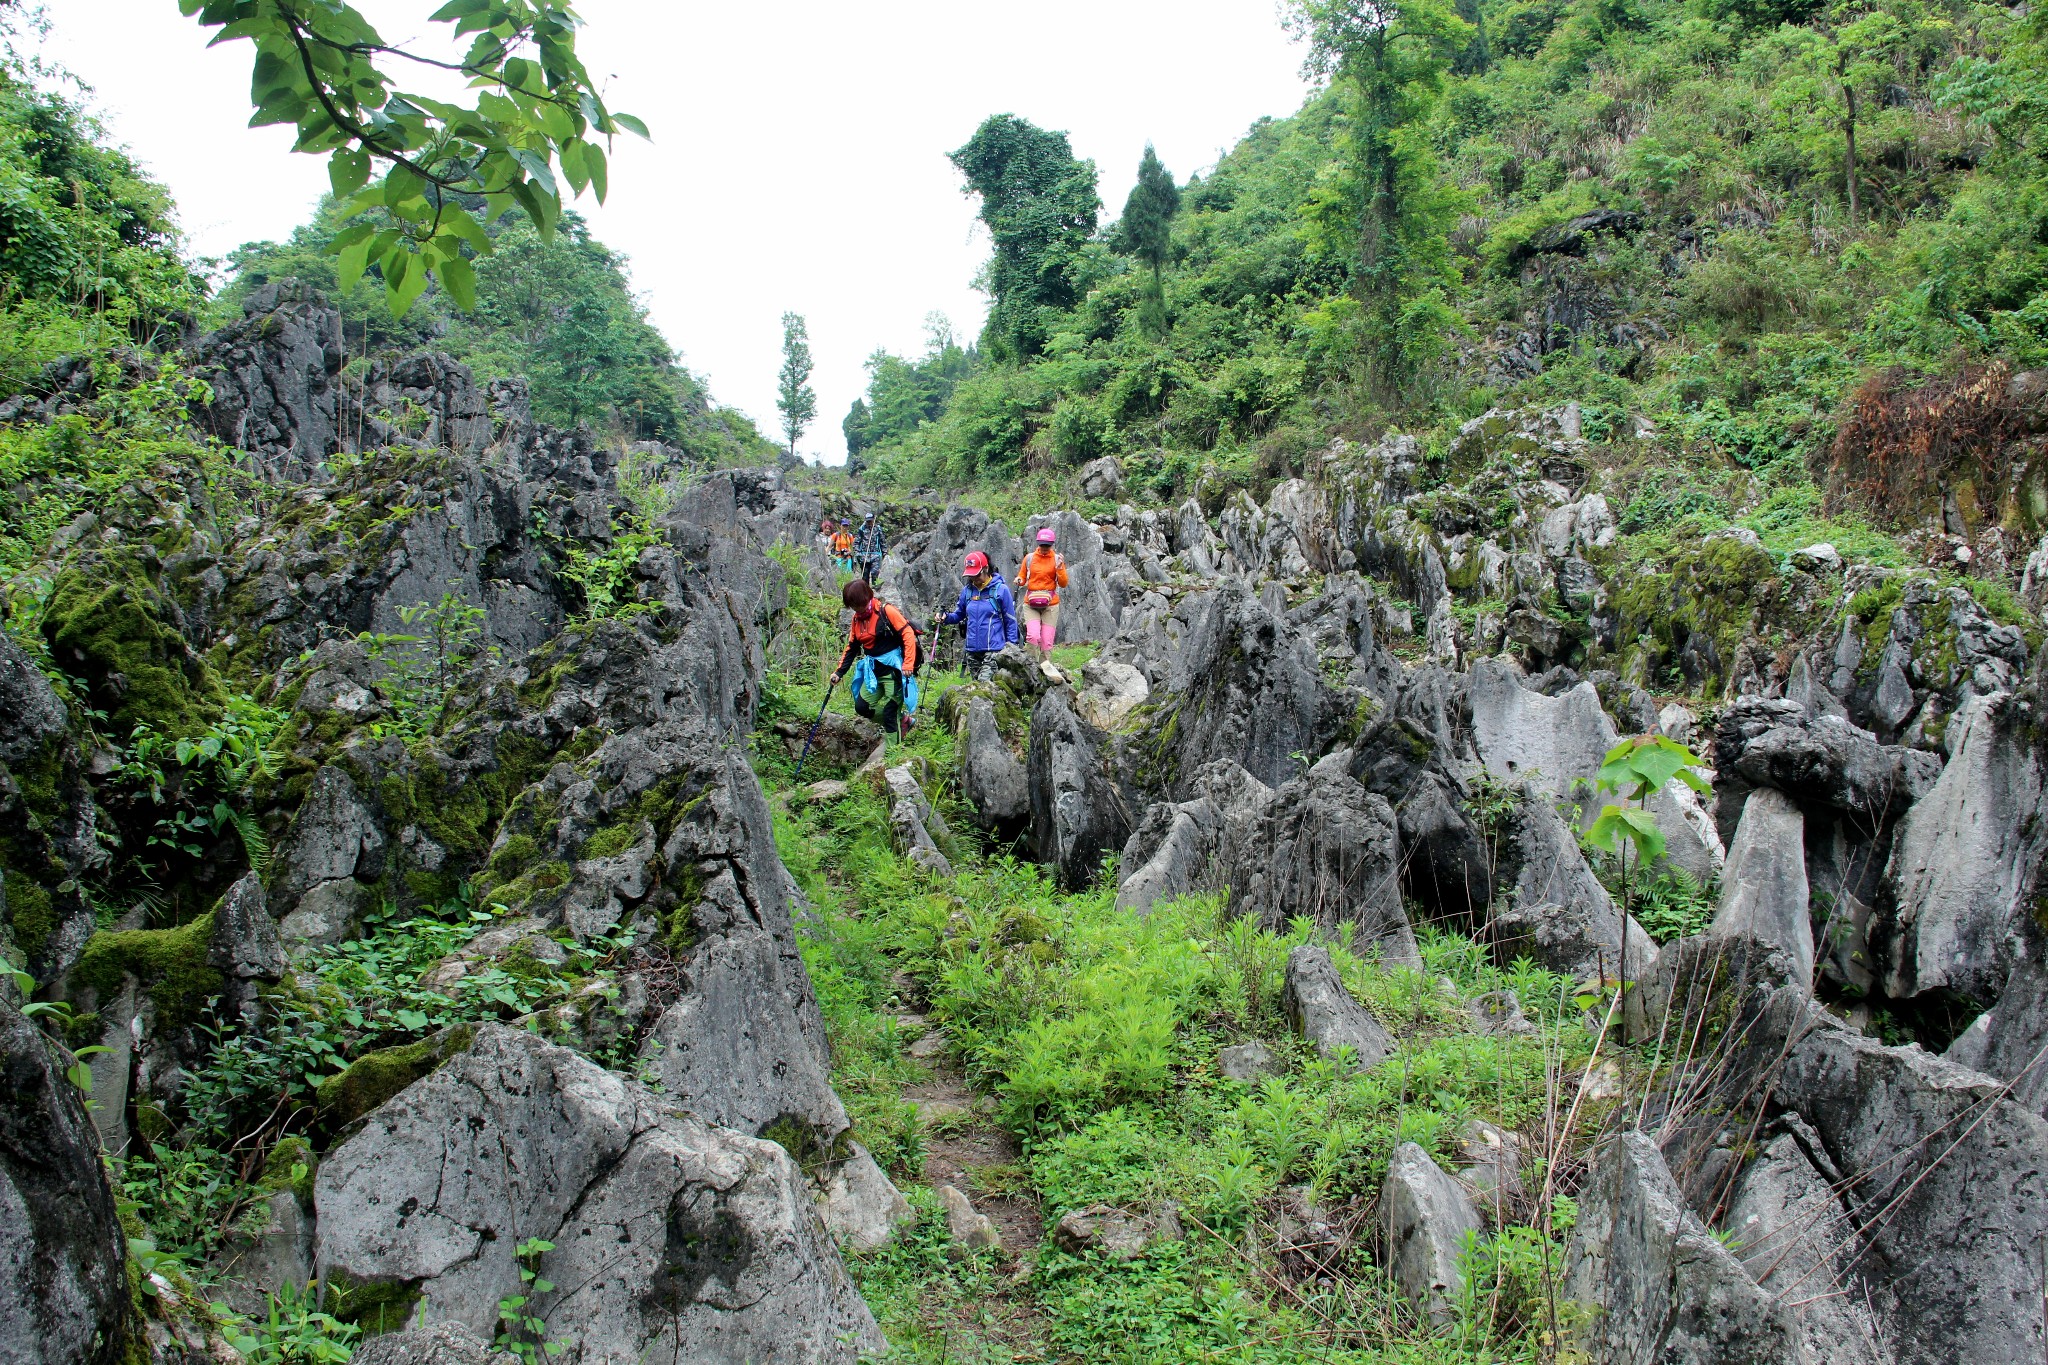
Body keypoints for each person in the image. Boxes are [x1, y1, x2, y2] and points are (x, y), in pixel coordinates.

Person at [831, 578, 920, 737]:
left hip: (893, 672)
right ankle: (903, 721)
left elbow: (907, 634)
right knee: (862, 707)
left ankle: (893, 755)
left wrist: (908, 664)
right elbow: (852, 647)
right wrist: (839, 673)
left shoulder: (886, 611)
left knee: (889, 712)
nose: (856, 610)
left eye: (858, 605)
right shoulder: (857, 619)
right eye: (853, 607)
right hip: (874, 672)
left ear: (867, 597)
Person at [943, 550, 1018, 680]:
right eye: (971, 576)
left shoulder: (1000, 590)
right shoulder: (967, 592)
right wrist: (946, 617)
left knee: (984, 685)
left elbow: (1010, 620)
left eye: (977, 575)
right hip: (972, 651)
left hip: (994, 650)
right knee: (977, 689)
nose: (974, 579)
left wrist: (1011, 648)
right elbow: (959, 615)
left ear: (986, 568)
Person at [1015, 524, 1068, 670]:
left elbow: (1063, 583)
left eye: (1047, 546)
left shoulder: (1057, 559)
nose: (1044, 548)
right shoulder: (1030, 558)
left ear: (1051, 545)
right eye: (1042, 545)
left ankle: (1045, 669)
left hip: (1050, 605)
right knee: (1032, 637)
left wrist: (1059, 568)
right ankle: (1029, 668)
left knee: (1047, 642)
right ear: (1038, 544)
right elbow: (1023, 576)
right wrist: (1019, 580)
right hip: (1031, 603)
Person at [854, 512, 886, 586]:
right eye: (867, 521)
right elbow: (856, 542)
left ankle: (876, 590)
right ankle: (866, 592)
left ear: (873, 520)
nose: (869, 523)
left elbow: (882, 541)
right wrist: (858, 553)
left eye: (870, 521)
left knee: (875, 573)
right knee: (865, 575)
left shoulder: (878, 528)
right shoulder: (861, 529)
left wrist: (884, 553)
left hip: (875, 555)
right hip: (864, 555)